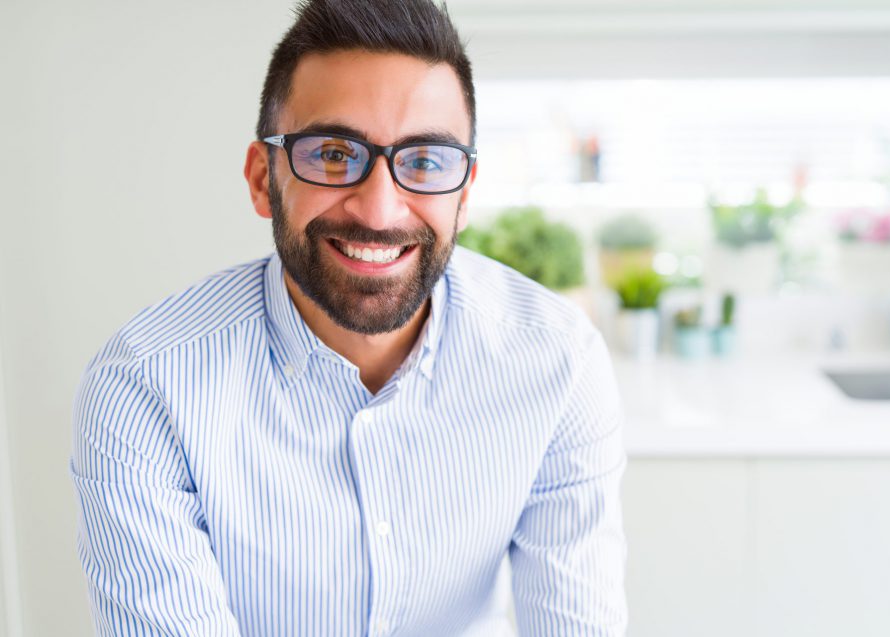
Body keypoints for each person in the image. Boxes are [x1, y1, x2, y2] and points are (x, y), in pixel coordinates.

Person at [70, 0, 627, 635]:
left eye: (424, 161)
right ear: (262, 179)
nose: (380, 210)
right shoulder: (145, 388)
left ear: (465, 195)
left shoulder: (558, 361)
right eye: (334, 154)